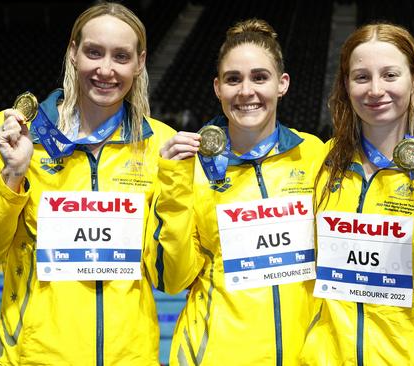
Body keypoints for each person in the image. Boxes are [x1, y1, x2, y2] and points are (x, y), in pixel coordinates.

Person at [0, 3, 175, 364]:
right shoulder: (16, 134)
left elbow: (171, 277)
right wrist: (13, 176)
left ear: (140, 62)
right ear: (73, 52)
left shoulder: (160, 145)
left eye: (121, 56)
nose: (105, 69)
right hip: (32, 356)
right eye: (93, 52)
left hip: (131, 357)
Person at [298, 23, 414, 365]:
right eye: (362, 77)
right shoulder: (323, 163)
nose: (375, 89)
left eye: (390, 75)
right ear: (346, 85)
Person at [146, 19, 324, 365]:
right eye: (233, 79)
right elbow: (171, 279)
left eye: (260, 77)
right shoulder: (190, 167)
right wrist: (174, 185)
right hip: (213, 354)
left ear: (282, 84)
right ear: (217, 87)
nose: (246, 91)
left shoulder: (314, 154)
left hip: (305, 355)